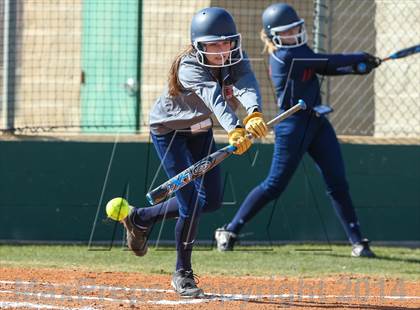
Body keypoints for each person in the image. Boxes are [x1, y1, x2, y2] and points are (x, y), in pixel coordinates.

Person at [117, 7, 268, 298]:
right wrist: (235, 128)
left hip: (200, 130)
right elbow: (214, 98)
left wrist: (254, 112)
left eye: (227, 42)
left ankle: (141, 218)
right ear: (199, 45)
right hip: (170, 131)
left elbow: (246, 83)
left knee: (209, 200)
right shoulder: (189, 65)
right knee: (190, 204)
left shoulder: (235, 57)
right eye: (214, 44)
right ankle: (182, 273)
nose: (223, 50)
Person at [215, 3, 381, 258]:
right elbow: (326, 62)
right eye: (287, 31)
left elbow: (326, 67)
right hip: (292, 126)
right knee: (274, 185)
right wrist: (360, 56)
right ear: (274, 35)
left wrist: (358, 68)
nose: (293, 34)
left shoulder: (299, 50)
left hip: (316, 121)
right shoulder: (284, 56)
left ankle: (358, 242)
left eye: (296, 28)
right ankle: (229, 230)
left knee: (337, 183)